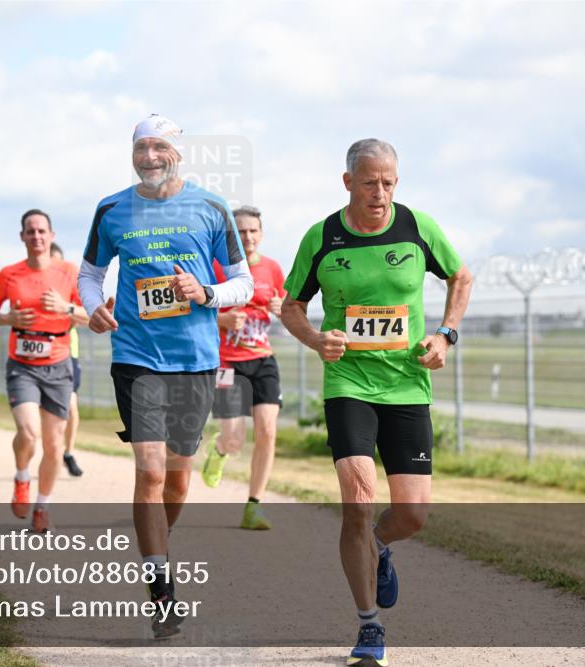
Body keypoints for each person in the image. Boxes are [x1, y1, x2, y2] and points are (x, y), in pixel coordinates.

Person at [279, 139, 473, 666]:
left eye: (389, 182)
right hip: (349, 385)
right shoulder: (323, 237)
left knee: (412, 514)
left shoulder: (417, 228)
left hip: (408, 385)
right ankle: (369, 627)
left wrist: (445, 335)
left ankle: (381, 547)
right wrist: (318, 339)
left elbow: (461, 276)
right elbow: (291, 305)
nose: (381, 193)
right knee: (358, 500)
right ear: (347, 183)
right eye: (370, 182)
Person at [78, 114, 253, 639]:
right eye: (140, 149)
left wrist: (207, 294)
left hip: (195, 359)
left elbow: (242, 282)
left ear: (178, 152)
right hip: (136, 356)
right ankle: (161, 590)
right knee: (150, 472)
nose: (149, 157)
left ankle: (155, 542)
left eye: (158, 148)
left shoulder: (210, 207)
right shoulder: (111, 209)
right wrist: (92, 307)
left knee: (178, 477)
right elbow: (90, 274)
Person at [0, 211, 88, 534]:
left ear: (52, 235)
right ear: (22, 237)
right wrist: (8, 318)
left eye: (42, 231)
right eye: (31, 231)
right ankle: (21, 477)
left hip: (58, 363)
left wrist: (66, 308)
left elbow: (94, 314)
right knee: (28, 432)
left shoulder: (70, 273)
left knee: (55, 445)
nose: (37, 236)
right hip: (23, 364)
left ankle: (42, 506)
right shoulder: (9, 274)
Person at [200, 205, 286, 530]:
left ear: (261, 234)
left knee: (267, 430)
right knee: (234, 438)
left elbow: (290, 309)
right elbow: (192, 311)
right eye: (241, 231)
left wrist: (281, 308)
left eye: (253, 231)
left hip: (263, 360)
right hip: (226, 364)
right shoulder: (216, 268)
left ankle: (254, 506)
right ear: (231, 236)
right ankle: (219, 450)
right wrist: (220, 318)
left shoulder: (273, 269)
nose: (248, 237)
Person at [50, 242, 85, 477]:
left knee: (71, 407)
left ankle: (68, 453)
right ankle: (51, 452)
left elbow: (89, 316)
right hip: (36, 357)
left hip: (67, 353)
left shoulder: (70, 289)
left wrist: (68, 311)